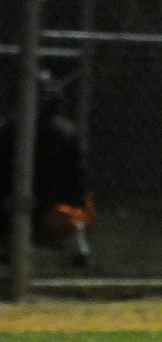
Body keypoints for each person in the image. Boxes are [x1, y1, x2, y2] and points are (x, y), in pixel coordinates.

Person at [0, 70, 95, 268]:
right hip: (14, 204)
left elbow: (79, 179)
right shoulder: (10, 130)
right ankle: (10, 251)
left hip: (51, 208)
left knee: (68, 217)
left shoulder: (65, 134)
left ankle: (76, 250)